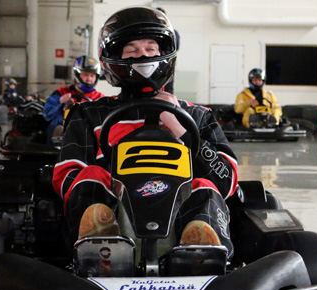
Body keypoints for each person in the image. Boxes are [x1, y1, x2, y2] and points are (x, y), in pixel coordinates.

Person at [52, 6, 238, 257]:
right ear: (112, 60)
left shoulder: (197, 116)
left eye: (151, 49)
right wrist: (122, 180)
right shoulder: (90, 114)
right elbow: (67, 176)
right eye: (132, 50)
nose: (143, 56)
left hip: (179, 210)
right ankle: (100, 245)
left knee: (204, 186)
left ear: (165, 54)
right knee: (90, 176)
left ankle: (200, 252)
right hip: (117, 208)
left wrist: (180, 128)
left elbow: (226, 181)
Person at [43, 55, 105, 144]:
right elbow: (47, 115)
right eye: (86, 75)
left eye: (92, 75)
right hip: (63, 134)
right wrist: (61, 104)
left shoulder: (100, 98)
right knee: (58, 125)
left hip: (88, 137)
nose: (89, 79)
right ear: (76, 74)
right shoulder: (61, 93)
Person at [156, 7, 180, 94]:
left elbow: (175, 48)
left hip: (166, 63)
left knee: (167, 87)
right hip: (163, 63)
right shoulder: (173, 32)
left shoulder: (172, 32)